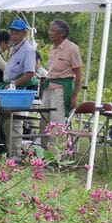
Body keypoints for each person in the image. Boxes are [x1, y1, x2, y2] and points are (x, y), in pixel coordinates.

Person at [39, 19, 82, 149]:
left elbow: (79, 74)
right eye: (49, 29)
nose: (49, 33)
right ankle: (43, 154)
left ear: (62, 33)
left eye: (53, 30)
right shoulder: (52, 48)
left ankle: (57, 156)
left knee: (56, 124)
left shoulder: (72, 48)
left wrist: (74, 96)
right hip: (48, 88)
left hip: (61, 89)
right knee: (44, 121)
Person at [0, 19, 38, 155]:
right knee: (7, 122)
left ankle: (14, 154)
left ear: (24, 33)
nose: (14, 35)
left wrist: (14, 84)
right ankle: (9, 151)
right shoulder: (14, 48)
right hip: (10, 88)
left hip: (18, 89)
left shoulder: (27, 50)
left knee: (15, 122)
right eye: (12, 32)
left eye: (17, 32)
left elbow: (29, 73)